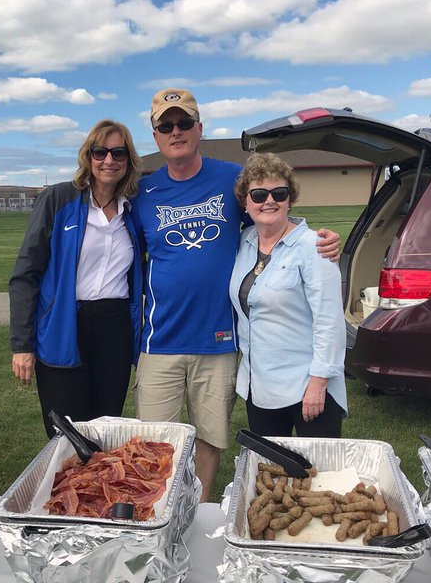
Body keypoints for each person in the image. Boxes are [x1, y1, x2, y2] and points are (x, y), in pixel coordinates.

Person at [131, 88, 340, 501]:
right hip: (160, 340)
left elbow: (272, 208)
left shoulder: (230, 178)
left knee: (210, 440)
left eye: (184, 122)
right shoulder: (143, 193)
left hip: (218, 343)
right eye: (166, 126)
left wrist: (320, 239)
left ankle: (199, 511)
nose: (176, 131)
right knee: (155, 443)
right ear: (155, 136)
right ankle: (158, 513)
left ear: (199, 128)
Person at [8, 119, 145, 433]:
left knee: (104, 430)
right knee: (66, 434)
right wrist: (22, 344)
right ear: (88, 156)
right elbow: (25, 275)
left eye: (118, 153)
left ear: (128, 160)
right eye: (100, 152)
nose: (109, 160)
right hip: (64, 327)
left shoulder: (132, 209)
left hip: (115, 330)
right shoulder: (58, 199)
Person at [228, 154, 346, 438]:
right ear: (246, 202)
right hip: (260, 386)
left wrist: (319, 382)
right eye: (259, 195)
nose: (269, 201)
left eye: (279, 193)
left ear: (290, 199)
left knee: (317, 466)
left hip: (308, 386)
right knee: (268, 464)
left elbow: (330, 322)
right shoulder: (244, 241)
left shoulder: (314, 247)